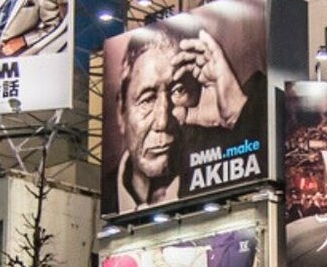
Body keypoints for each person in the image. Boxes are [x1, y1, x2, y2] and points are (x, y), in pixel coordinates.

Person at [107, 24, 266, 214]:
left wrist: (234, 112)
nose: (162, 122)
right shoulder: (104, 197)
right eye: (147, 99)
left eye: (178, 91)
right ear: (121, 111)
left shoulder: (222, 167)